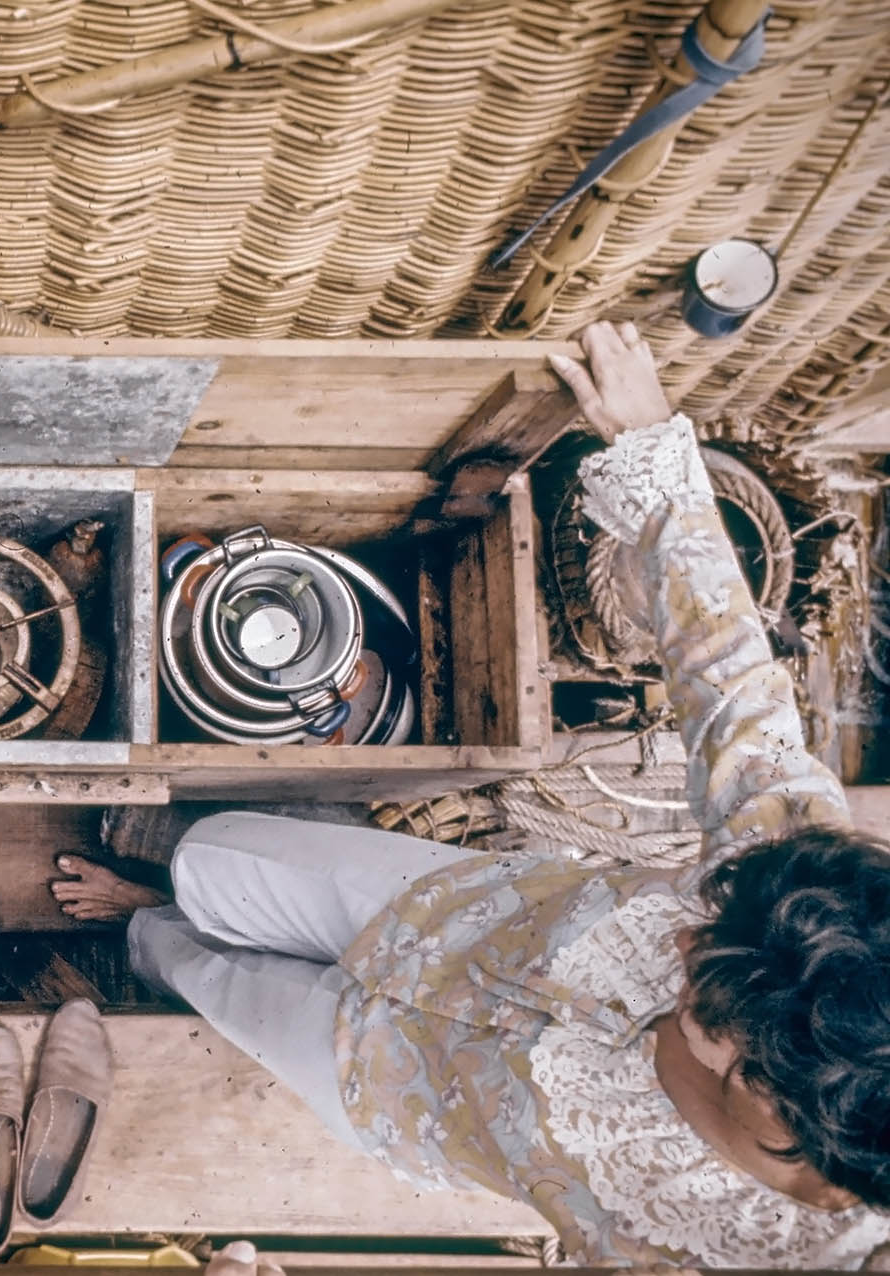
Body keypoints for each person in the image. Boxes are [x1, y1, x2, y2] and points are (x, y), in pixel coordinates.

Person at [54, 321, 890, 1266]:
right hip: (451, 912)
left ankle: (143, 927)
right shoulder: (806, 898)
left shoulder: (722, 1253)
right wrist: (655, 447)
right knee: (225, 853)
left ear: (776, 1101)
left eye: (704, 993)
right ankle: (179, 878)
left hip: (392, 1091)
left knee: (219, 986)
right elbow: (734, 688)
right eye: (709, 928)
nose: (685, 940)